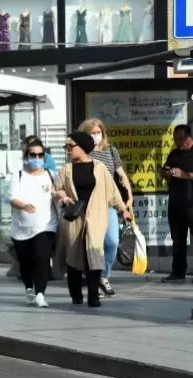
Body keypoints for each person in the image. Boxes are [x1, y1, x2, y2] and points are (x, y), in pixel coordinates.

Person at [54, 132, 131, 308]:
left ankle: (94, 296)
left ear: (81, 147)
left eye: (70, 146)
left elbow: (112, 191)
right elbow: (56, 190)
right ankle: (76, 295)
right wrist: (63, 197)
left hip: (96, 216)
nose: (67, 150)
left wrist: (123, 209)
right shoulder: (66, 169)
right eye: (65, 147)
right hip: (73, 218)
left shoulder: (99, 168)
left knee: (94, 255)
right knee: (73, 256)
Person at [79, 118, 133, 296]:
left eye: (98, 132)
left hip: (108, 202)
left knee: (112, 242)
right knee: (95, 244)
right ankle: (95, 279)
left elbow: (121, 174)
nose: (96, 136)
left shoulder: (110, 150)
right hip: (89, 204)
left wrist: (129, 198)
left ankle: (104, 275)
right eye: (92, 133)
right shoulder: (82, 152)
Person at [10, 139, 58, 307]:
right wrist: (23, 205)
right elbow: (12, 199)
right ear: (26, 156)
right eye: (33, 155)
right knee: (26, 262)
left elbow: (58, 192)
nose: (36, 158)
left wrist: (61, 195)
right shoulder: (18, 175)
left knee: (41, 258)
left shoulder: (51, 175)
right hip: (21, 229)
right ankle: (29, 288)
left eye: (40, 155)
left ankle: (40, 293)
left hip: (46, 226)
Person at [160, 124, 193, 284]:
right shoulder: (175, 153)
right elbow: (166, 169)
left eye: (180, 139)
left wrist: (184, 175)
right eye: (175, 139)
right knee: (178, 240)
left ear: (189, 137)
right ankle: (178, 272)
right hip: (175, 202)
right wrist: (165, 173)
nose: (178, 142)